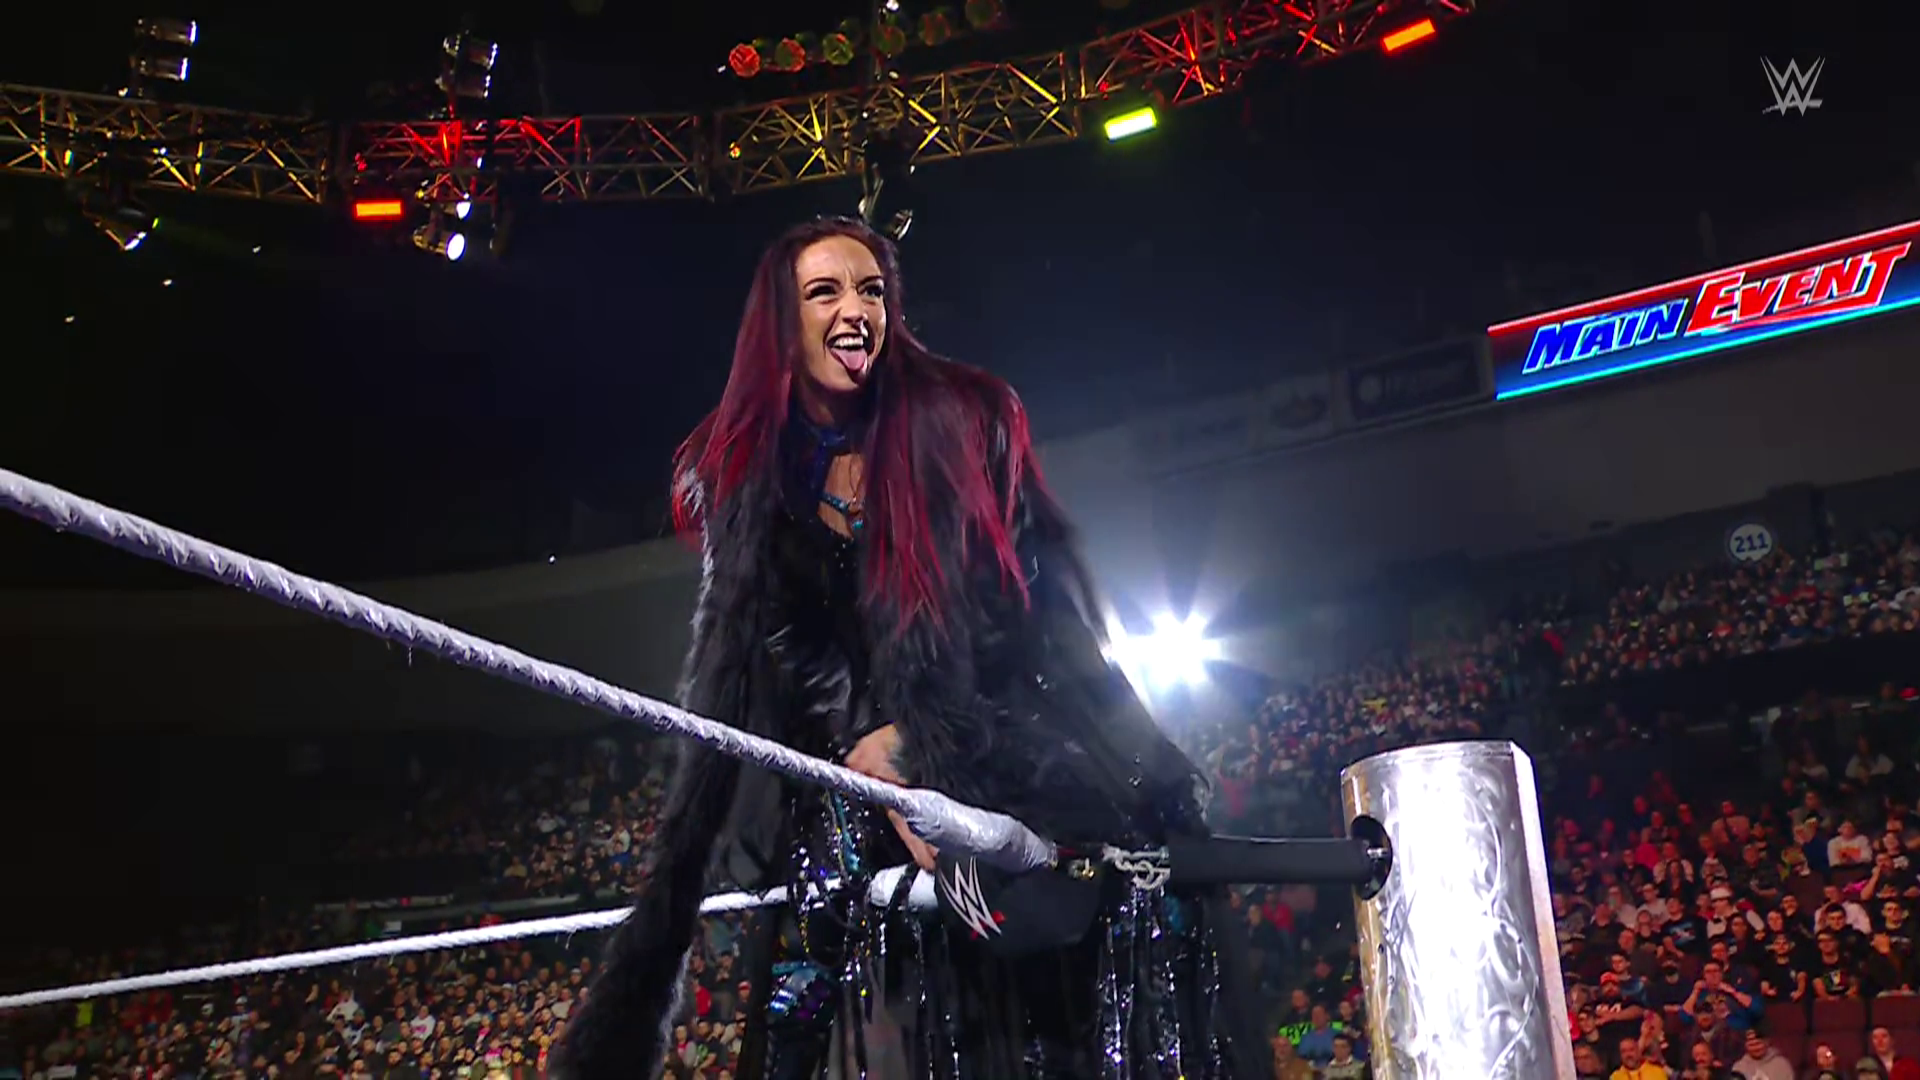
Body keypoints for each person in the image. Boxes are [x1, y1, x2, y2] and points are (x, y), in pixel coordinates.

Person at [551, 218, 1261, 1080]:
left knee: (1104, 906)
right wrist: (869, 744)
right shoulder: (736, 462)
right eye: (825, 292)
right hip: (840, 753)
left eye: (872, 291)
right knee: (820, 934)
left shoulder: (962, 418)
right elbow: (779, 637)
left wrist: (931, 746)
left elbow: (1018, 608)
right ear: (782, 322)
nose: (855, 311)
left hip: (996, 709)